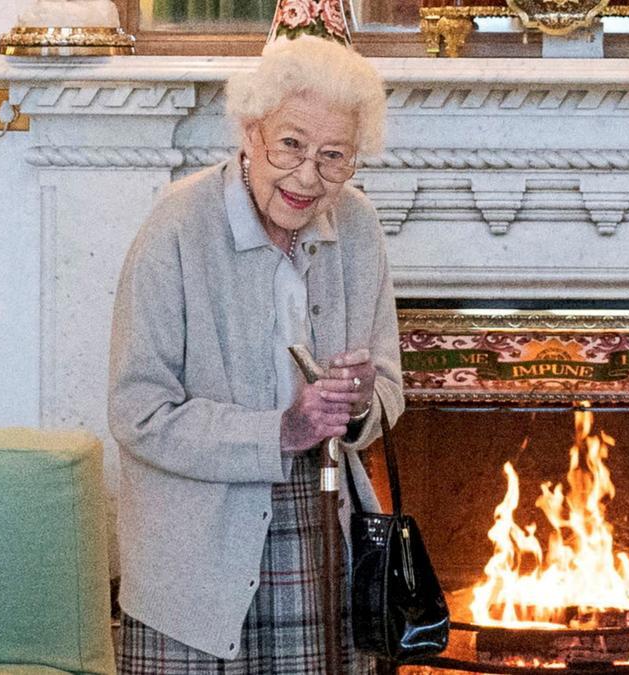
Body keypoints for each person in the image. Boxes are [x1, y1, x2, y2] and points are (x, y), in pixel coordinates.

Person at [108, 36, 402, 674]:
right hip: (194, 554)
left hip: (322, 525)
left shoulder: (357, 228)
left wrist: (355, 406)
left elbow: (387, 388)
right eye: (290, 144)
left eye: (333, 157)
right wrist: (281, 429)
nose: (306, 176)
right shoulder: (177, 226)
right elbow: (138, 413)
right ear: (249, 130)